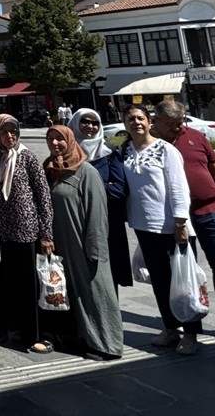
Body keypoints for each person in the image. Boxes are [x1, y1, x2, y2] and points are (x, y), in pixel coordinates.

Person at [153, 101, 215, 345]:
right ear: (157, 120)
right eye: (171, 124)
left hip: (210, 208)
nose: (178, 128)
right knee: (182, 270)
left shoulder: (195, 136)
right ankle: (186, 322)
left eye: (180, 122)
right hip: (175, 216)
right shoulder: (150, 142)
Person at [118, 104, 198, 355]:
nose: (136, 122)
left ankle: (192, 333)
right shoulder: (125, 150)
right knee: (161, 282)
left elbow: (178, 187)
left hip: (172, 227)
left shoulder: (166, 150)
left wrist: (180, 222)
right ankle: (171, 328)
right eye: (130, 119)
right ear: (124, 124)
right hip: (144, 226)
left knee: (184, 283)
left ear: (150, 122)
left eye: (140, 118)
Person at [43, 126, 123, 360]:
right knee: (68, 292)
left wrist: (95, 246)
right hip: (61, 244)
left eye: (60, 139)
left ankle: (106, 344)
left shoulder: (86, 172)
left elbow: (97, 212)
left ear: (70, 140)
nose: (55, 143)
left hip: (82, 243)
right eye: (50, 139)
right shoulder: (50, 169)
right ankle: (80, 336)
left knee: (95, 292)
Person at [0, 114, 55, 353]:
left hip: (29, 232)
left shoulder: (28, 158)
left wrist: (46, 233)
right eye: (4, 132)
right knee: (13, 283)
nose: (9, 136)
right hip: (7, 233)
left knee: (32, 286)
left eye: (13, 131)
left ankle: (38, 334)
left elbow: (43, 197)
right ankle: (17, 329)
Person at [66, 108, 131, 291]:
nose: (90, 126)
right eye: (85, 121)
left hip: (107, 219)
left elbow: (119, 189)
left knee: (109, 269)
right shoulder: (66, 153)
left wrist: (86, 188)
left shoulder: (109, 152)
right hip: (77, 220)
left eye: (95, 123)